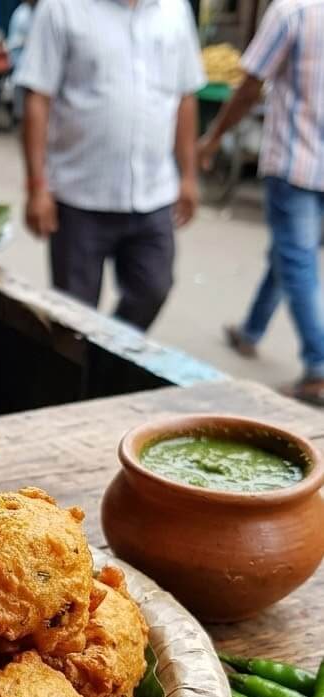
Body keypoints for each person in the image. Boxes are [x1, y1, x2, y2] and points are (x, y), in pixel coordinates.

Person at [15, 0, 205, 333]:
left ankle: (106, 360)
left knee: (153, 288)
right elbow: (37, 98)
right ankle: (81, 374)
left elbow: (185, 97)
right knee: (72, 315)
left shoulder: (174, 10)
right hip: (79, 198)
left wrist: (188, 176)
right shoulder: (61, 9)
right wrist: (36, 186)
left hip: (153, 194)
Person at [199, 0, 324, 406]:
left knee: (296, 257)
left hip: (296, 163)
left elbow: (250, 86)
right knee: (289, 253)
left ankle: (319, 366)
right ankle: (251, 329)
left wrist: (214, 136)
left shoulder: (292, 12)